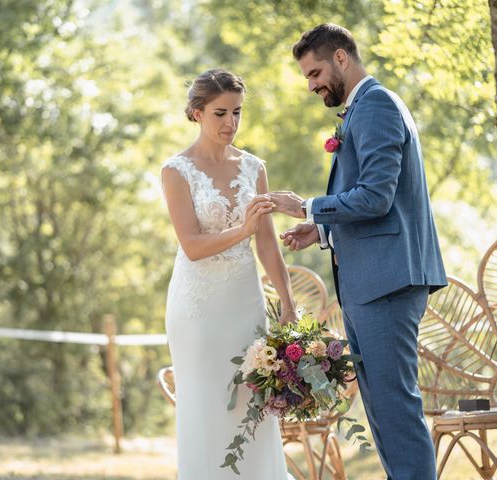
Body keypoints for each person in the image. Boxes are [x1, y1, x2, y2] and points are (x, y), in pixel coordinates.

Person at [268, 24, 448, 480]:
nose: (311, 85)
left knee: (396, 413)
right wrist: (322, 229)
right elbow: (376, 207)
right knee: (384, 415)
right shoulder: (362, 109)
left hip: (386, 284)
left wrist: (307, 205)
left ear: (342, 57)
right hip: (373, 282)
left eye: (314, 73)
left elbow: (376, 198)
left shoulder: (376, 106)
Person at [161, 68, 294, 479]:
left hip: (244, 304)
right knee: (205, 409)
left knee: (253, 406)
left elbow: (267, 245)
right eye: (220, 113)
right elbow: (192, 245)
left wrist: (288, 306)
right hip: (197, 309)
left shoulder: (254, 167)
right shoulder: (176, 171)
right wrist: (242, 230)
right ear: (197, 112)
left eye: (237, 112)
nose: (231, 123)